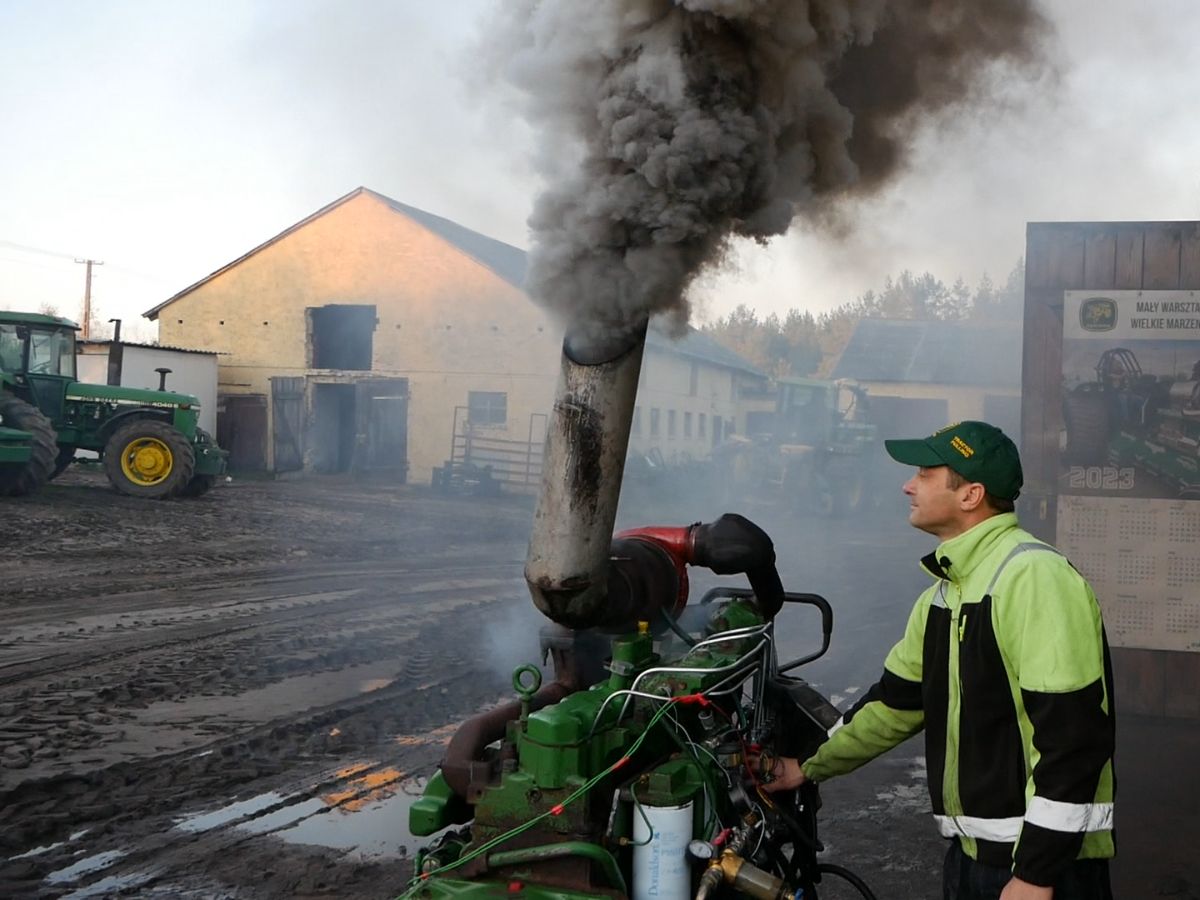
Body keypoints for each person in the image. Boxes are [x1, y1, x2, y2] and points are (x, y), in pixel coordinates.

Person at [758, 421, 1115, 900]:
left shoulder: (1034, 577)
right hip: (974, 858)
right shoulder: (944, 595)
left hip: (1039, 867)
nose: (908, 484)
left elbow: (1073, 739)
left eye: (925, 472)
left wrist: (1036, 873)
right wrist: (806, 766)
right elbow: (894, 705)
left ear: (971, 494)